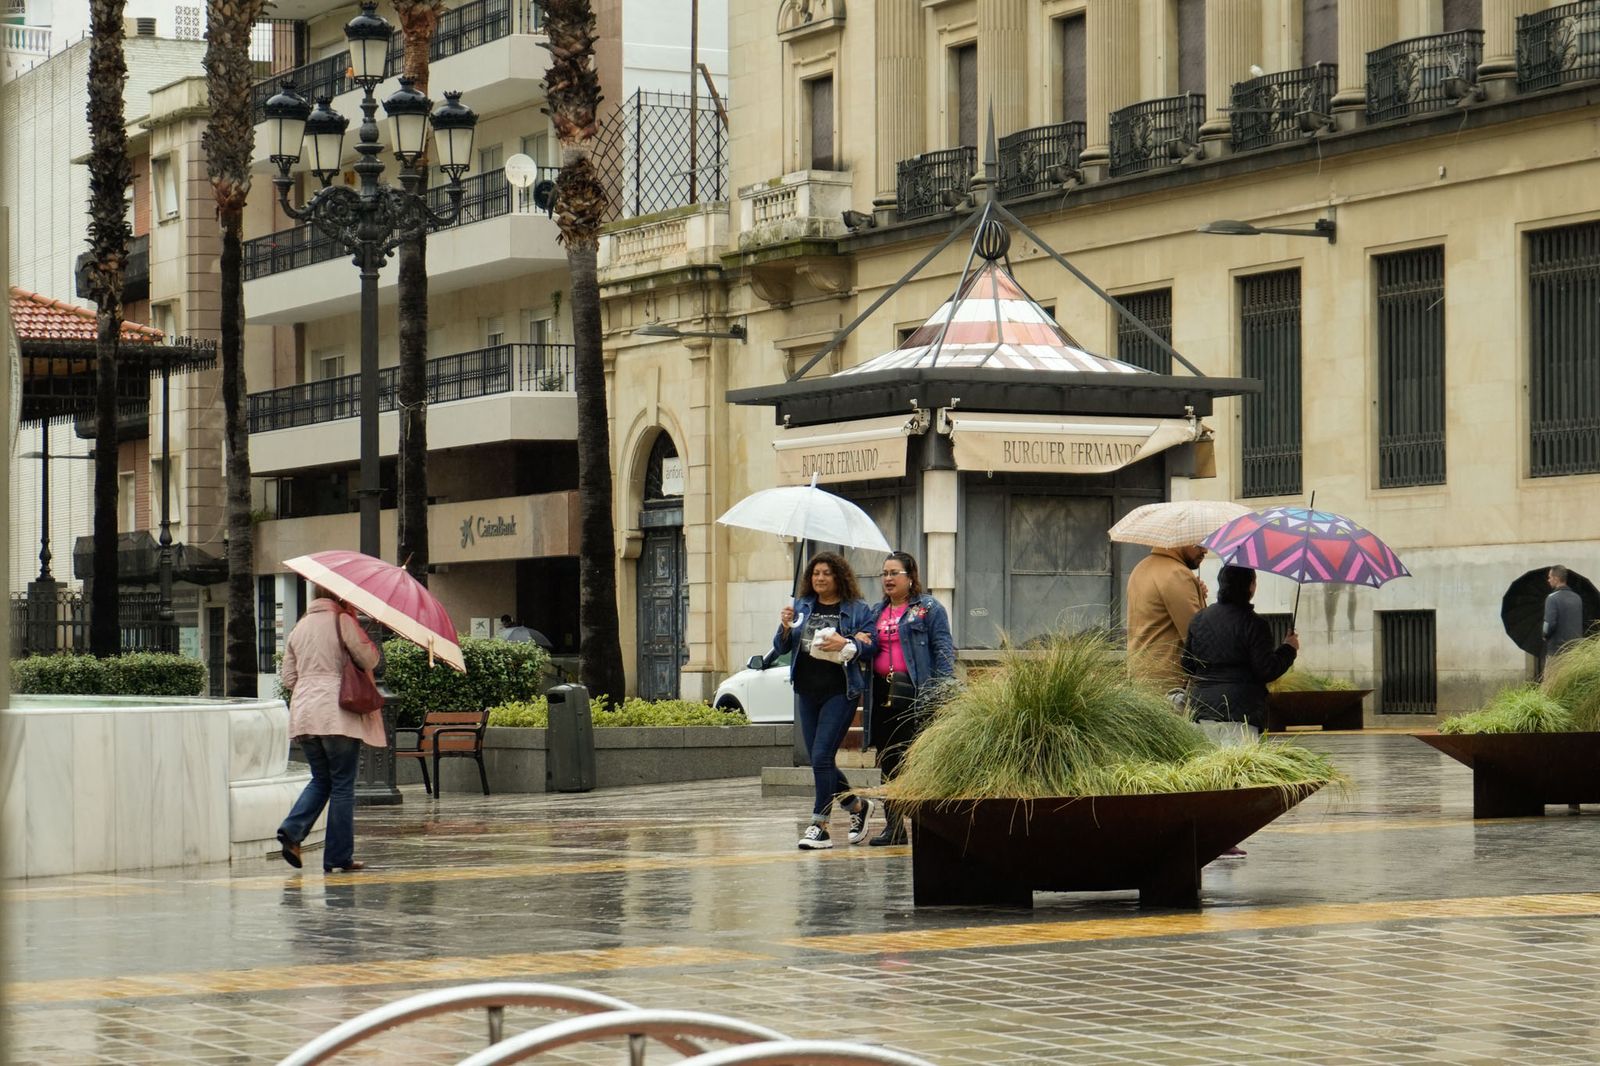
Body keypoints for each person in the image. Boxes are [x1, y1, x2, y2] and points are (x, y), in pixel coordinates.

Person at [276, 587, 385, 874]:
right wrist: (364, 637)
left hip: (304, 715)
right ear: (340, 596)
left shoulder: (299, 627)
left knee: (321, 779)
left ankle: (292, 829)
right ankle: (338, 856)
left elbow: (288, 678)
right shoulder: (343, 621)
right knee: (341, 786)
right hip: (337, 713)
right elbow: (369, 660)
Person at [775, 551, 876, 850]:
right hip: (806, 691)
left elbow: (870, 646)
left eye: (826, 573)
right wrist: (784, 626)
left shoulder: (857, 609)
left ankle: (820, 825)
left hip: (840, 692)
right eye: (815, 573)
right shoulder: (802, 606)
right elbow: (782, 647)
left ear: (839, 577)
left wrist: (846, 642)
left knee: (820, 757)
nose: (819, 578)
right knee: (821, 759)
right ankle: (857, 806)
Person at [858, 551, 955, 846]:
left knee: (917, 761)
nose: (887, 579)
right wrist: (860, 642)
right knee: (889, 761)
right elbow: (866, 648)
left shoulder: (928, 609)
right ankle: (894, 827)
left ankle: (929, 827)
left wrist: (943, 691)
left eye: (894, 573)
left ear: (910, 577)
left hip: (916, 696)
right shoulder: (876, 612)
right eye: (884, 573)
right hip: (882, 697)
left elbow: (943, 649)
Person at [1181, 565, 1299, 745]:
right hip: (1241, 713)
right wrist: (1289, 648)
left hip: (1202, 709)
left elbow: (1187, 664)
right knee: (1237, 769)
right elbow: (1266, 670)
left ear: (1221, 584)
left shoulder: (1199, 619)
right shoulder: (1255, 624)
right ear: (1251, 586)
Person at [1126, 543, 1209, 696]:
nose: (1205, 550)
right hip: (1170, 687)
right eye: (1198, 545)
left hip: (1140, 678)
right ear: (1180, 540)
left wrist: (1197, 593)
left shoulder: (1140, 568)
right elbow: (1199, 637)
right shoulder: (1177, 573)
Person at [1544, 566, 1584, 662]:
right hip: (1575, 651)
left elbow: (1549, 624)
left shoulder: (1552, 598)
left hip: (1557, 652)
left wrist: (1544, 634)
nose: (1548, 580)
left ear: (1556, 579)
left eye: (1550, 577)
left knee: (1552, 677)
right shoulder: (1577, 598)